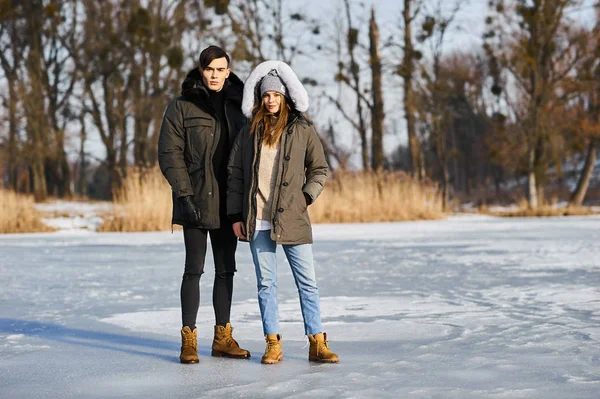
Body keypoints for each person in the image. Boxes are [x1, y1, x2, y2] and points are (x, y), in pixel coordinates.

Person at [227, 60, 339, 364]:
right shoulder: (248, 132)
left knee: (308, 283)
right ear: (260, 99)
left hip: (293, 218)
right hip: (258, 219)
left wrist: (305, 197)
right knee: (266, 284)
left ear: (286, 97)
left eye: (276, 94)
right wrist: (237, 215)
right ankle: (273, 344)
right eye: (266, 95)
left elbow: (320, 169)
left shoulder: (302, 129)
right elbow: (235, 174)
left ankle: (317, 343)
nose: (271, 99)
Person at [158, 45, 250, 364]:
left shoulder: (241, 105)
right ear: (201, 71)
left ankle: (222, 338)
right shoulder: (182, 107)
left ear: (228, 70)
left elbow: (249, 154)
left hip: (229, 203)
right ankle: (189, 340)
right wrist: (184, 196)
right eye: (209, 69)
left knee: (226, 271)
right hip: (195, 199)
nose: (214, 75)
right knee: (193, 270)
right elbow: (170, 154)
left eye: (220, 69)